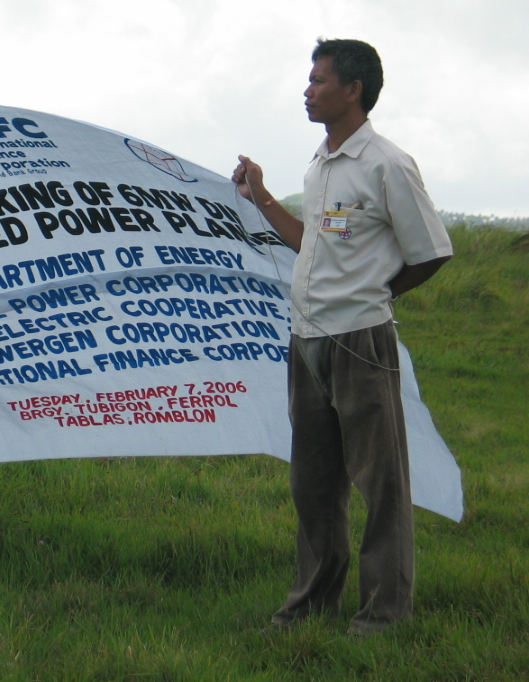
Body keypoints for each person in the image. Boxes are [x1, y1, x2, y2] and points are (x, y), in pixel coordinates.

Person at [231, 39, 452, 636]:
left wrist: (373, 297)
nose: (308, 89)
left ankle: (382, 614)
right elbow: (312, 244)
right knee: (314, 484)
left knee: (381, 483)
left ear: (352, 90)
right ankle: (308, 603)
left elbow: (431, 253)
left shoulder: (386, 163)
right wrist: (260, 195)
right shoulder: (321, 164)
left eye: (318, 80)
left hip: (360, 342)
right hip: (306, 342)